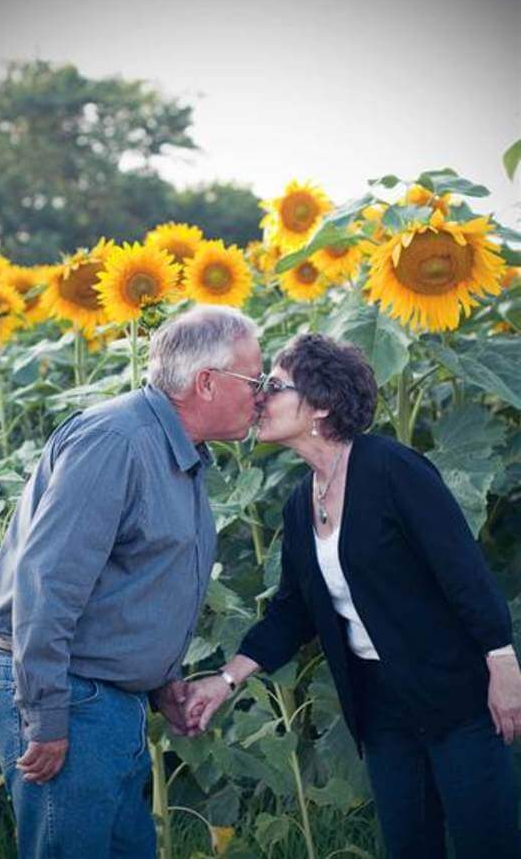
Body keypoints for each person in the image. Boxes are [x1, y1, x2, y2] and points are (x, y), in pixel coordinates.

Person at [185, 333, 521, 859]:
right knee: (410, 847)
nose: (259, 398)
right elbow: (293, 612)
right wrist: (226, 680)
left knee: (489, 844)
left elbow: (464, 573)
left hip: (456, 695)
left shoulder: (393, 470)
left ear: (319, 404)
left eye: (273, 386)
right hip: (380, 706)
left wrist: (502, 665)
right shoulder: (301, 504)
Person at [0, 305, 265, 858]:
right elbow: (48, 585)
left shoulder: (175, 450)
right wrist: (46, 715)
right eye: (255, 379)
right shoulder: (117, 441)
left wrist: (163, 683)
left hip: (107, 699)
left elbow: (136, 581)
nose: (262, 393)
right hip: (69, 692)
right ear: (206, 382)